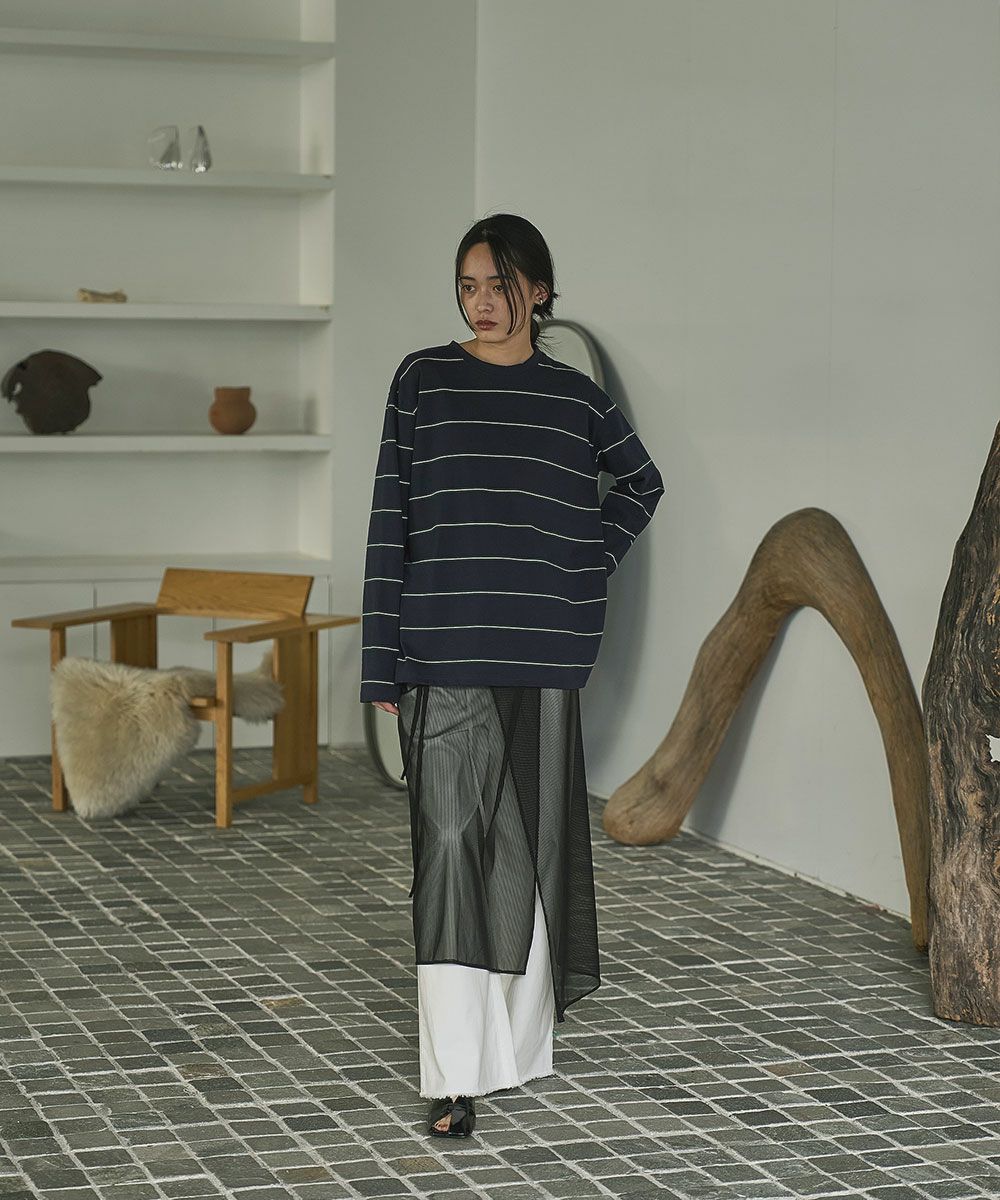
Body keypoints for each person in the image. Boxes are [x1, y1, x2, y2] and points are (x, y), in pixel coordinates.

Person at [360, 213, 664, 1138]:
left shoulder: (574, 399)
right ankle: (454, 1073)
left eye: (497, 285)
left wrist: (583, 563)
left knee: (526, 849)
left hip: (539, 652)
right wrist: (379, 661)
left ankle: (517, 1046)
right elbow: (390, 520)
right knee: (450, 846)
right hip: (442, 649)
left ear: (538, 289)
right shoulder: (422, 380)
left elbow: (641, 484)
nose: (480, 303)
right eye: (467, 286)